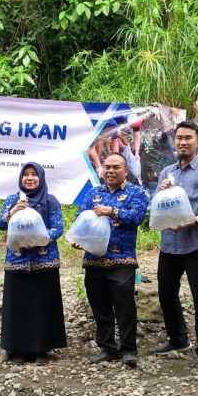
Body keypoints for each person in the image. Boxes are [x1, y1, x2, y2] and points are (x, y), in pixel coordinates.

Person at [153, 120, 198, 369]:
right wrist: (162, 192)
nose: (182, 142)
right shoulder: (167, 173)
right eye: (179, 138)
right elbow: (157, 205)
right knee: (166, 293)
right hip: (169, 244)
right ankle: (178, 339)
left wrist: (194, 220)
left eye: (188, 138)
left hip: (197, 244)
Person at [76, 153, 149, 368]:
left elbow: (136, 217)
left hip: (122, 259)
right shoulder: (93, 194)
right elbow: (82, 220)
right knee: (99, 305)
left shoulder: (136, 193)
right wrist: (78, 239)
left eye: (115, 167)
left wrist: (113, 211)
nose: (110, 171)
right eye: (107, 167)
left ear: (125, 171)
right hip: (94, 260)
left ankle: (128, 349)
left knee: (124, 306)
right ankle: (107, 347)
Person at [0, 162, 67, 364]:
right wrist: (13, 212)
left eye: (33, 175)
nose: (29, 178)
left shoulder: (50, 200)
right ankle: (17, 349)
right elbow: (1, 224)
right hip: (17, 260)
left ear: (41, 178)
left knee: (42, 304)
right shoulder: (13, 199)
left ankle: (42, 349)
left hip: (44, 260)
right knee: (17, 304)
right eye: (25, 175)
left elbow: (58, 227)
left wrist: (40, 238)